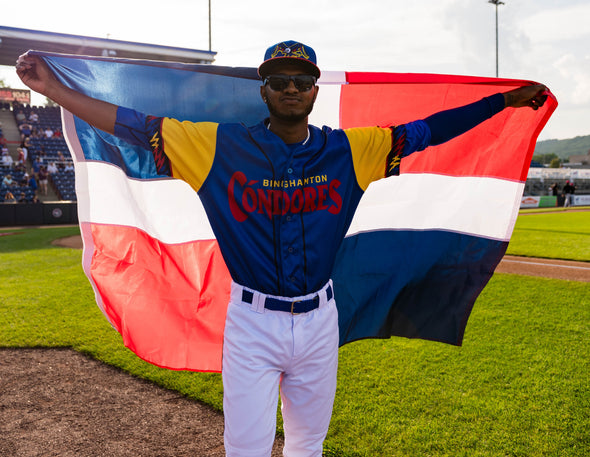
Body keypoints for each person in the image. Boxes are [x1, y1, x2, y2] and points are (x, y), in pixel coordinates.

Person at [16, 42, 547, 457]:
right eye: (278, 80)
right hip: (252, 325)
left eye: (301, 80)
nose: (291, 88)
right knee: (245, 448)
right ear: (263, 90)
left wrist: (502, 102)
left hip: (320, 321)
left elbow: (428, 131)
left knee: (307, 447)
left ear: (314, 90)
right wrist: (53, 90)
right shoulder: (217, 145)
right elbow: (132, 126)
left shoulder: (351, 149)